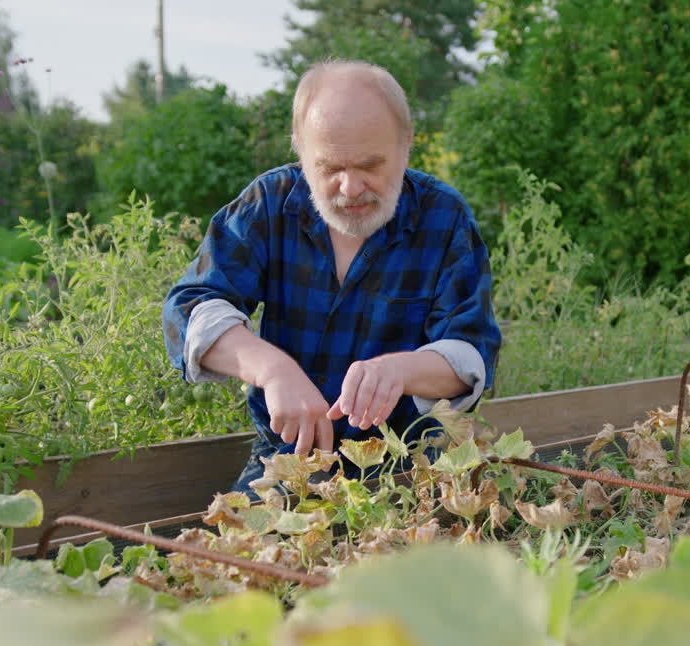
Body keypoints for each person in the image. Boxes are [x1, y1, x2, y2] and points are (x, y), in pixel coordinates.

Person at [162, 59, 501, 494]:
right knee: (242, 535)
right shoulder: (269, 204)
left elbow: (472, 352)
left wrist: (399, 370)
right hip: (288, 459)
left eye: (370, 166)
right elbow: (189, 310)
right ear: (301, 152)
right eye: (329, 168)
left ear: (406, 145)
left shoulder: (444, 216)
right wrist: (272, 369)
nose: (350, 188)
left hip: (407, 462)